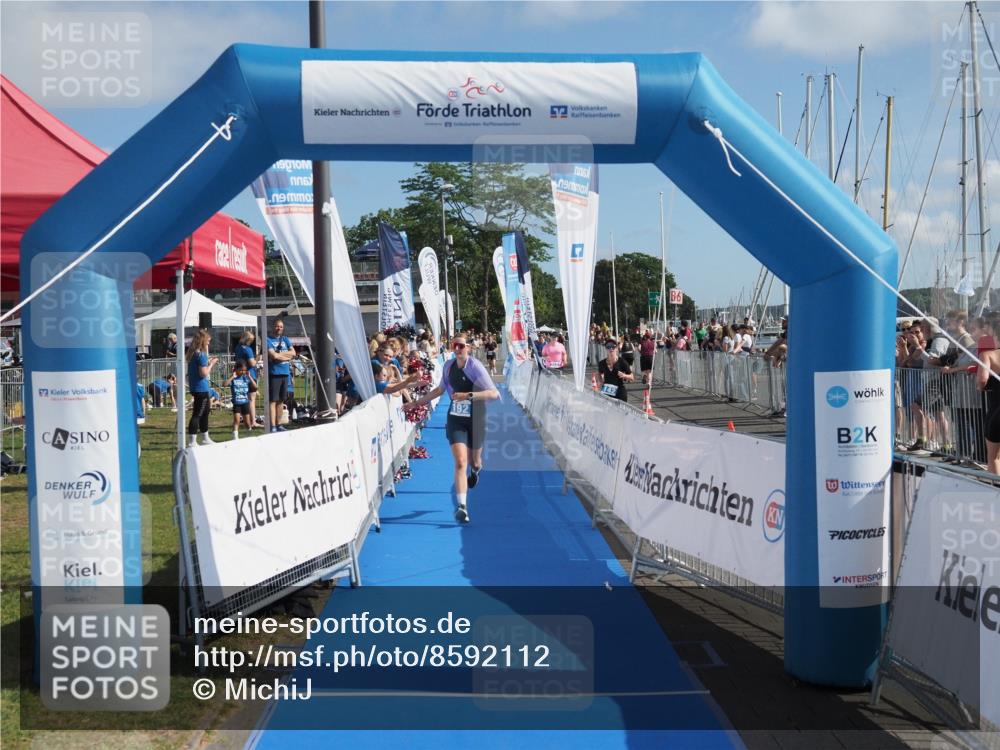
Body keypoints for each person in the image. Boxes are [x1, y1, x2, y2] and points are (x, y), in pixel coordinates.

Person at [403, 336, 499, 524]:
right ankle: (462, 507)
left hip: (477, 419)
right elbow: (439, 391)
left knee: (475, 462)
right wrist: (415, 403)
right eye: (454, 345)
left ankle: (476, 471)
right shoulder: (448, 366)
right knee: (461, 462)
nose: (457, 349)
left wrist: (468, 395)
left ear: (468, 348)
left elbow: (494, 393)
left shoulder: (475, 366)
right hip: (456, 419)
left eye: (461, 346)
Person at [186, 329, 218, 447]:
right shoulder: (201, 354)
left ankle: (205, 437)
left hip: (197, 387)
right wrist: (211, 364)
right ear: (202, 341)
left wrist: (207, 362)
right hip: (201, 388)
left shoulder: (194, 354)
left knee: (205, 412)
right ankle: (192, 441)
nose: (209, 343)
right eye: (208, 341)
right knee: (198, 414)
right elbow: (203, 373)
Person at [977, 315, 1000, 474]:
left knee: (994, 457)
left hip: (997, 409)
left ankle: (996, 487)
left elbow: (982, 379)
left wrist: (981, 387)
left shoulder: (988, 355)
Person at [267, 319, 296, 433]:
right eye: (277, 326)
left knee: (281, 401)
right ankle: (272, 425)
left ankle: (279, 424)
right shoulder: (268, 340)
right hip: (275, 373)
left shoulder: (285, 339)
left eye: (281, 326)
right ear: (273, 327)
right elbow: (273, 356)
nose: (279, 328)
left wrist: (280, 355)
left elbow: (293, 353)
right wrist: (285, 356)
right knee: (273, 401)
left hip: (285, 373)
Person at [234, 330, 259, 424]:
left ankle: (245, 420)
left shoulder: (237, 347)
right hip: (250, 375)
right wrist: (258, 358)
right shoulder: (248, 349)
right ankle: (253, 421)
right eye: (250, 340)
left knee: (243, 399)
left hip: (241, 375)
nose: (251, 342)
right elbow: (252, 363)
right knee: (252, 399)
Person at [226, 361, 255, 439]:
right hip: (237, 403)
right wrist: (232, 377)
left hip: (245, 402)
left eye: (244, 370)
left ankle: (249, 434)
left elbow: (255, 387)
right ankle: (235, 437)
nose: (242, 372)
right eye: (241, 370)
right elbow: (224, 384)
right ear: (236, 369)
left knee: (247, 422)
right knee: (237, 420)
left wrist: (250, 377)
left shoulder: (246, 378)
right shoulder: (233, 378)